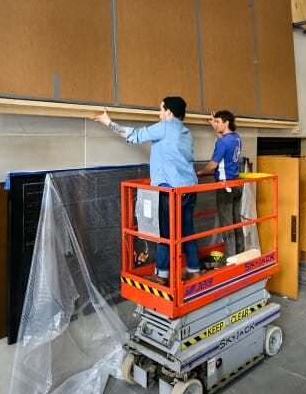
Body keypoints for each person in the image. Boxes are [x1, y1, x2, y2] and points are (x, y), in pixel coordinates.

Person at [94, 97, 199, 284]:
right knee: (187, 231)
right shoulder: (186, 132)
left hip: (170, 191)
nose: (159, 114)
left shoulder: (165, 126)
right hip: (189, 188)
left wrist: (108, 122)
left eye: (160, 109)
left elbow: (134, 135)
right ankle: (194, 270)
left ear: (168, 112)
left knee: (165, 235)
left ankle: (161, 276)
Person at [197, 110, 244, 258]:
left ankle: (230, 258)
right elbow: (224, 141)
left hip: (225, 186)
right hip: (236, 185)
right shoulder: (236, 138)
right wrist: (215, 126)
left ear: (226, 123)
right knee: (236, 222)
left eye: (218, 122)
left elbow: (212, 165)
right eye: (214, 122)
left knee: (227, 224)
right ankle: (240, 253)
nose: (215, 125)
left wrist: (201, 172)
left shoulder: (222, 142)